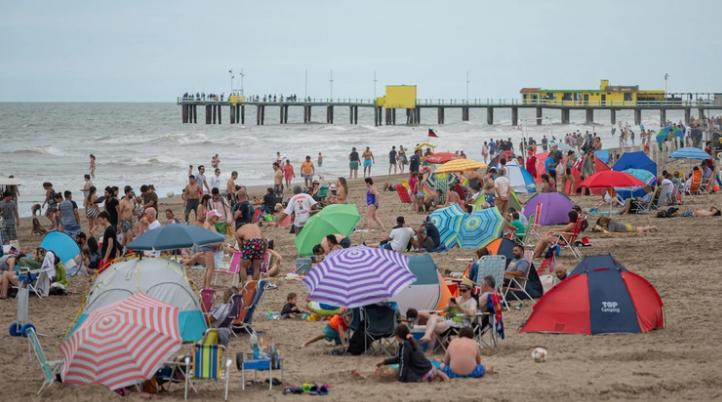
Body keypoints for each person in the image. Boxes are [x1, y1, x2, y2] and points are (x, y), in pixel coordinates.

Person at [418, 278, 477, 351]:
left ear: (470, 290)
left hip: (460, 322)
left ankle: (430, 349)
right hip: (449, 319)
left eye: (464, 290)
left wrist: (458, 306)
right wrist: (449, 305)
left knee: (433, 325)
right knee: (433, 317)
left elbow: (471, 313)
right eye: (460, 290)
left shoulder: (472, 301)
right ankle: (427, 335)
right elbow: (444, 310)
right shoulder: (458, 298)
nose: (462, 292)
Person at [376, 324, 447, 382]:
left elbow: (403, 364)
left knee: (401, 371)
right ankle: (439, 373)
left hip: (424, 376)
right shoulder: (411, 341)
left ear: (397, 336)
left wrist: (400, 379)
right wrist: (385, 362)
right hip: (432, 369)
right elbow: (400, 358)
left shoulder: (405, 346)